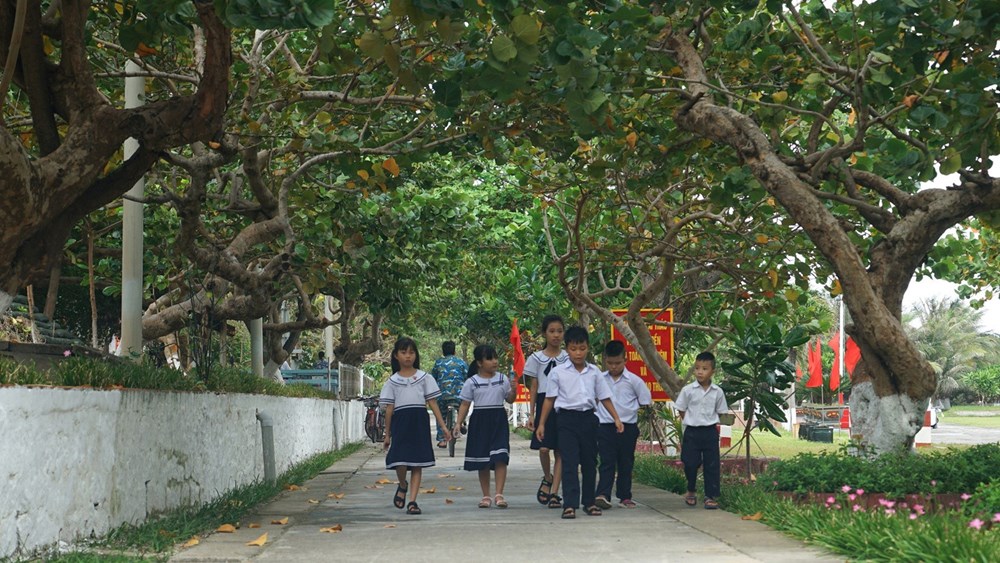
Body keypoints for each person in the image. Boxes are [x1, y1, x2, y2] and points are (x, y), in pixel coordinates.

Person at [536, 325, 624, 519]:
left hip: (589, 419)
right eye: (574, 349)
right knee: (569, 461)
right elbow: (549, 399)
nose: (578, 353)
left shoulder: (594, 372)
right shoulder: (558, 373)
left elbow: (604, 397)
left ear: (588, 348)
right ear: (567, 349)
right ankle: (569, 504)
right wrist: (541, 423)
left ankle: (589, 502)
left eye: (582, 348)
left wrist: (616, 418)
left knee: (589, 462)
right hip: (566, 419)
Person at [380, 337, 452, 515]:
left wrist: (443, 428)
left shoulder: (424, 378)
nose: (408, 356)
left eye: (411, 352)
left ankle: (412, 501)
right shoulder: (392, 382)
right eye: (403, 352)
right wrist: (387, 434)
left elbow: (433, 403)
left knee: (417, 462)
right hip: (401, 422)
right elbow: (389, 409)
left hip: (419, 421)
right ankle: (402, 484)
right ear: (396, 355)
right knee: (400, 461)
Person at [453, 344, 517, 509]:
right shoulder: (472, 382)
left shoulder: (502, 379)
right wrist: (458, 423)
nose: (494, 361)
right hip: (480, 421)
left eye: (495, 357)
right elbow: (465, 404)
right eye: (489, 358)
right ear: (479, 363)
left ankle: (499, 494)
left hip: (499, 420)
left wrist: (514, 390)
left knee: (501, 456)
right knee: (483, 460)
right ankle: (486, 495)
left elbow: (510, 400)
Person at [594, 340, 652, 509]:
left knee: (626, 462)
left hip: (628, 427)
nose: (614, 367)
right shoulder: (600, 380)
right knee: (606, 461)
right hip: (605, 426)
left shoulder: (634, 381)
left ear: (625, 361)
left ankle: (625, 496)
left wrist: (629, 411)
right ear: (605, 361)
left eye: (617, 363)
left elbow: (645, 400)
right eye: (610, 363)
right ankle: (603, 494)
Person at [674, 351, 730, 510]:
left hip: (710, 432)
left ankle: (710, 496)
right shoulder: (688, 390)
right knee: (690, 463)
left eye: (704, 368)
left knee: (712, 464)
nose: (700, 371)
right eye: (697, 368)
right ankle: (691, 489)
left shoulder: (717, 392)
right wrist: (691, 421)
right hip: (692, 432)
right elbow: (681, 409)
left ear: (713, 371)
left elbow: (721, 412)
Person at [524, 314, 568, 508]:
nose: (556, 335)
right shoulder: (536, 358)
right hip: (544, 402)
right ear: (544, 334)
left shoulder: (568, 356)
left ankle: (554, 493)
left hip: (563, 402)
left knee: (560, 450)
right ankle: (548, 477)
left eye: (559, 331)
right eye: (552, 331)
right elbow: (533, 386)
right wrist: (532, 413)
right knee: (543, 448)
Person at [430, 341, 468, 448]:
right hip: (459, 395)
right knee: (464, 406)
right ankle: (461, 422)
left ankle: (442, 440)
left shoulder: (438, 363)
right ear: (455, 351)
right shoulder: (461, 362)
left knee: (440, 415)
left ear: (443, 351)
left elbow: (433, 378)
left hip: (442, 395)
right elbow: (467, 376)